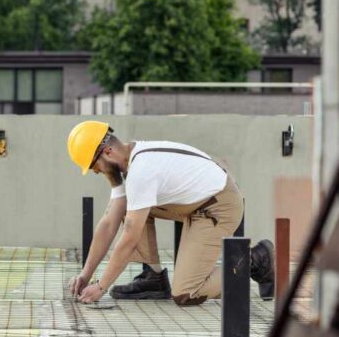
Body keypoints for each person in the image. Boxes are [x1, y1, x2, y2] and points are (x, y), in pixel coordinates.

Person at [66, 120, 274, 305]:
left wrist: (101, 287)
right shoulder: (132, 158)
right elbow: (109, 223)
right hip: (198, 203)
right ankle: (154, 279)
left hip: (219, 206)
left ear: (107, 152)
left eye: (95, 167)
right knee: (129, 207)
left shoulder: (141, 171)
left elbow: (129, 238)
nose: (97, 172)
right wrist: (86, 274)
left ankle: (255, 259)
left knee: (186, 293)